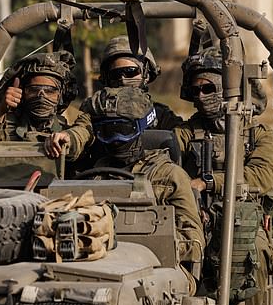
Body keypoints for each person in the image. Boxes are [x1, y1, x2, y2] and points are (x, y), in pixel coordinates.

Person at [55, 86, 205, 278]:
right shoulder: (94, 177)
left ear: (142, 127)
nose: (116, 140)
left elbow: (194, 243)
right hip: (103, 266)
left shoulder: (170, 176)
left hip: (163, 268)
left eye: (123, 130)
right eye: (107, 132)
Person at [174, 46, 273, 196]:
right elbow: (166, 169)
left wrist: (207, 183)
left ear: (226, 89)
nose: (201, 96)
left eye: (208, 88)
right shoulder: (185, 133)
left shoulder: (258, 135)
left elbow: (262, 176)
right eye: (196, 91)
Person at [0, 50, 92, 161]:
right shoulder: (6, 126)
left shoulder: (66, 129)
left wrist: (67, 138)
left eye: (50, 91)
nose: (41, 96)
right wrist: (0, 112)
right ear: (22, 93)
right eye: (33, 90)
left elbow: (82, 134)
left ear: (60, 96)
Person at [99, 35, 183, 130]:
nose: (122, 79)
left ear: (146, 74)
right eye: (115, 74)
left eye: (130, 71)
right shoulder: (97, 112)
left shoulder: (161, 117)